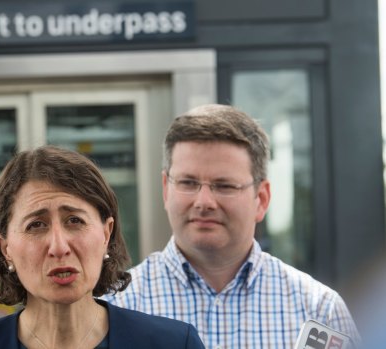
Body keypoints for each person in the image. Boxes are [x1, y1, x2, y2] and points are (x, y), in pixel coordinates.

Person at [103, 104, 360, 348]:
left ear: (262, 198)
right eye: (188, 183)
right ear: (166, 190)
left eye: (224, 186)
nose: (203, 202)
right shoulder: (117, 305)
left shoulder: (319, 311)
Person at [0, 145, 205, 348]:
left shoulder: (174, 343)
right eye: (36, 225)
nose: (59, 247)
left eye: (74, 220)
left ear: (106, 234)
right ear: (5, 248)